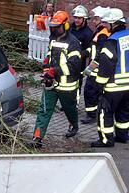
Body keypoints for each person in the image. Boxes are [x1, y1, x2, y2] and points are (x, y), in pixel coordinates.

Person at [28, 11, 82, 148]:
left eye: (56, 27)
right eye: (52, 26)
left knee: (70, 109)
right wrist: (46, 68)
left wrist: (54, 71)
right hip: (51, 84)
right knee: (44, 110)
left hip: (67, 86)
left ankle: (74, 125)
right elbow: (49, 55)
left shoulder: (73, 43)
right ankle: (37, 138)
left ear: (65, 26)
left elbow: (74, 66)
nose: (53, 29)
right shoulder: (53, 39)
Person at [91, 8, 129, 147]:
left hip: (114, 86)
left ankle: (106, 140)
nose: (105, 26)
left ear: (114, 24)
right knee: (124, 111)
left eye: (107, 23)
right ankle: (123, 136)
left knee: (104, 111)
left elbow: (106, 65)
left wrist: (99, 85)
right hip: (128, 86)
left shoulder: (111, 41)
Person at [81, 6, 111, 124]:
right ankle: (95, 113)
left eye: (96, 19)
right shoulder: (100, 31)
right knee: (95, 91)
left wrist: (91, 67)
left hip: (96, 68)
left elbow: (100, 53)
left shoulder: (103, 34)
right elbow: (94, 48)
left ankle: (92, 115)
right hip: (96, 66)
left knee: (89, 91)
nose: (93, 21)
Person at [70, 5, 93, 95]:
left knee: (77, 84)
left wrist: (79, 56)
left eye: (79, 18)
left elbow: (89, 49)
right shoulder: (69, 29)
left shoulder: (88, 33)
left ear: (84, 19)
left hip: (79, 63)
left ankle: (75, 104)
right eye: (75, 17)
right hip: (66, 61)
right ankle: (66, 104)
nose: (76, 20)